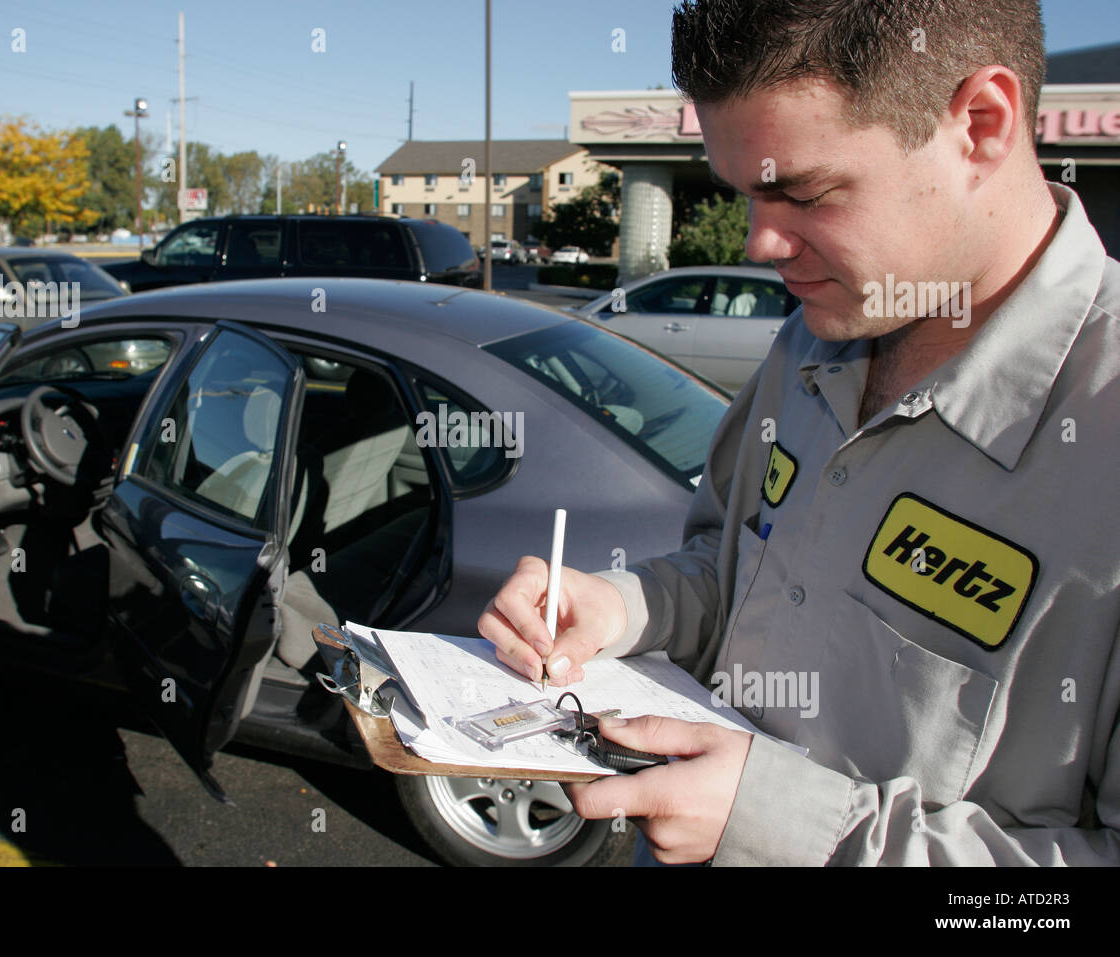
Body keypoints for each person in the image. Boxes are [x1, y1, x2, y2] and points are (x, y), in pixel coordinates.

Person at [479, 0, 1120, 865]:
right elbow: (739, 573)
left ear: (981, 124)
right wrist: (623, 606)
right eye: (745, 195)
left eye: (806, 193)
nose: (761, 243)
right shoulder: (818, 334)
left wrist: (788, 827)